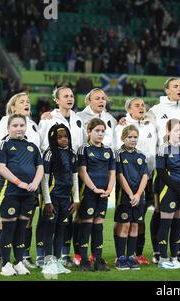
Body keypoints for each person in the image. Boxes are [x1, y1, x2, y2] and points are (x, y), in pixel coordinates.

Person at [148, 78, 180, 265]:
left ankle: (176, 253)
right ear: (167, 90)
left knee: (179, 217)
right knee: (161, 214)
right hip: (164, 172)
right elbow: (144, 128)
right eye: (175, 86)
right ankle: (157, 252)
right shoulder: (155, 110)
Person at [0, 93, 41, 270]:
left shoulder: (32, 125)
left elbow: (37, 156)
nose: (27, 104)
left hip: (30, 185)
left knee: (26, 221)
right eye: (22, 102)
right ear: (12, 108)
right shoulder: (4, 125)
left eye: (28, 101)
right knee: (5, 220)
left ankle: (22, 257)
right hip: (10, 184)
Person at [38, 87, 85, 267]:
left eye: (72, 95)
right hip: (51, 177)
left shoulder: (78, 119)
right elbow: (42, 144)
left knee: (64, 221)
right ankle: (42, 255)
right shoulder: (48, 118)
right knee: (46, 218)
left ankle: (61, 256)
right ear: (56, 100)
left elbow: (78, 145)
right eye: (65, 96)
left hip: (70, 173)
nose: (70, 98)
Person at [75, 88, 117, 265]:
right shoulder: (84, 149)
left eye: (102, 131)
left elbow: (112, 172)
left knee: (99, 225)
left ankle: (98, 259)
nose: (100, 133)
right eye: (97, 131)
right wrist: (94, 188)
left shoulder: (108, 151)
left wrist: (108, 189)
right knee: (86, 224)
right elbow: (82, 171)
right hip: (90, 191)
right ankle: (84, 259)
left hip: (104, 193)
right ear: (89, 131)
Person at [115, 98, 157, 265]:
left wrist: (139, 192)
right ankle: (120, 256)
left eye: (143, 105)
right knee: (123, 222)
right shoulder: (121, 126)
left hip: (146, 180)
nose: (142, 107)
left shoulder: (151, 125)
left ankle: (134, 254)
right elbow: (119, 171)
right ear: (128, 110)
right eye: (137, 105)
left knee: (138, 220)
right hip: (126, 187)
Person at [155, 119, 180, 269]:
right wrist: (177, 189)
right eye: (177, 130)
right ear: (168, 131)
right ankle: (163, 259)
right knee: (166, 224)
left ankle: (174, 257)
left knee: (178, 225)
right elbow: (161, 172)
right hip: (169, 191)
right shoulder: (163, 148)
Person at [40, 124, 78, 275]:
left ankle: (56, 262)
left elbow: (75, 178)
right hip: (53, 197)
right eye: (60, 137)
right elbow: (44, 179)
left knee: (61, 229)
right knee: (50, 229)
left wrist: (75, 199)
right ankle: (48, 262)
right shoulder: (49, 154)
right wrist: (47, 202)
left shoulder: (72, 154)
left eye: (66, 136)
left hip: (66, 198)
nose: (64, 140)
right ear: (53, 139)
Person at [114, 125, 148, 271]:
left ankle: (131, 257)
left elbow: (145, 176)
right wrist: (130, 194)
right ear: (123, 138)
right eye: (130, 137)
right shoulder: (119, 154)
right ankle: (121, 258)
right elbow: (120, 176)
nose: (133, 140)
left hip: (139, 197)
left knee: (135, 226)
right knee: (125, 225)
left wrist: (138, 194)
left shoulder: (141, 155)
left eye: (135, 137)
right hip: (125, 197)